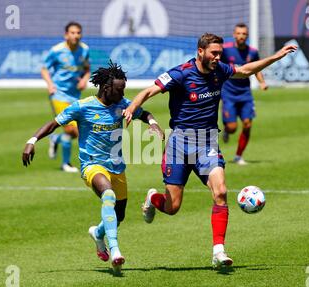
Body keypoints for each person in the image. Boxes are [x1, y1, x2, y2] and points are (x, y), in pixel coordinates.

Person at [123, 33, 296, 269]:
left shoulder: (220, 70)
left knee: (221, 191)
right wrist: (133, 107)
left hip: (207, 144)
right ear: (200, 51)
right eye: (213, 53)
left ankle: (218, 251)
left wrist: (275, 57)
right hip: (179, 145)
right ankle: (153, 198)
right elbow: (148, 91)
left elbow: (245, 70)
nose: (217, 57)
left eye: (220, 53)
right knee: (172, 208)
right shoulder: (181, 73)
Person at [22, 61, 164, 274]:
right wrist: (32, 141)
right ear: (106, 88)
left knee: (120, 214)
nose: (123, 93)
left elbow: (144, 113)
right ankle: (115, 251)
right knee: (108, 195)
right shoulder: (83, 106)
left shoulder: (122, 103)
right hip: (92, 166)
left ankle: (98, 234)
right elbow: (54, 124)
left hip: (117, 167)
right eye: (119, 89)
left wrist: (153, 124)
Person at [41, 21, 91, 173]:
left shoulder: (84, 50)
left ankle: (55, 139)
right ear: (66, 35)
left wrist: (84, 79)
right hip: (59, 95)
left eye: (78, 33)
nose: (75, 35)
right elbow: (44, 68)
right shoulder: (57, 50)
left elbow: (87, 69)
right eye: (72, 32)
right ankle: (66, 164)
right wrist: (50, 84)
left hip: (75, 96)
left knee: (75, 131)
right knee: (71, 130)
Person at [221, 23, 268, 165]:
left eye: (244, 34)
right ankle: (227, 130)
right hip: (228, 94)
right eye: (239, 33)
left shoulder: (252, 52)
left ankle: (238, 156)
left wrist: (261, 82)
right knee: (232, 127)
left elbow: (257, 68)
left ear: (247, 36)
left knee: (247, 124)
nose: (241, 36)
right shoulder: (225, 50)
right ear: (234, 34)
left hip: (245, 94)